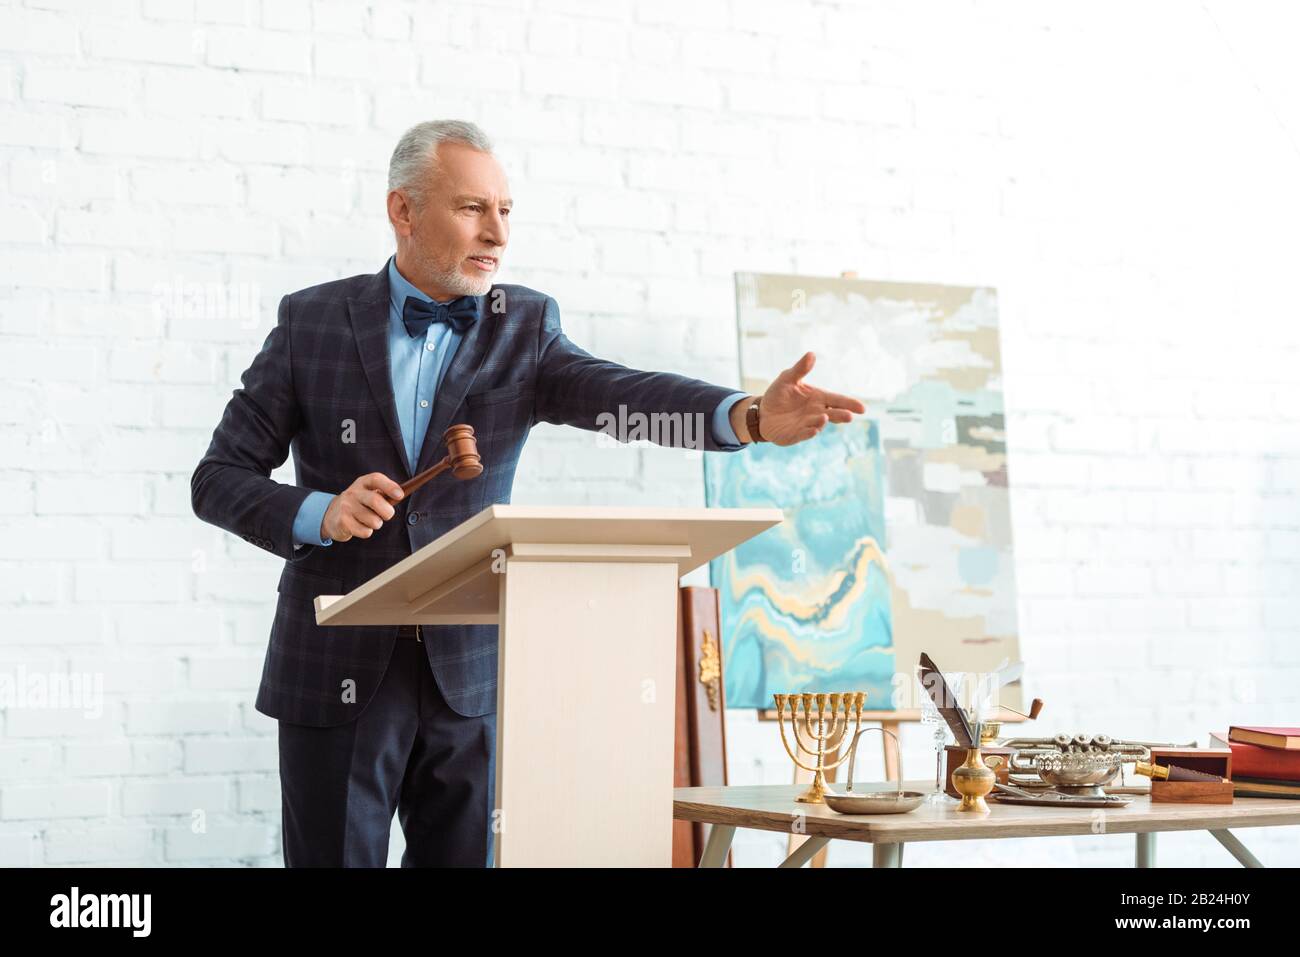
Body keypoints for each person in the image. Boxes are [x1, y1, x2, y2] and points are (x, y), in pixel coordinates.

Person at [190, 119, 865, 867]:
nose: (497, 234)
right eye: (473, 208)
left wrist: (747, 416)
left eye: (506, 211)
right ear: (403, 211)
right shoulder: (311, 321)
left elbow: (621, 395)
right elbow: (218, 478)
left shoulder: (524, 325)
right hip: (335, 665)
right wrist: (320, 510)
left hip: (469, 677)